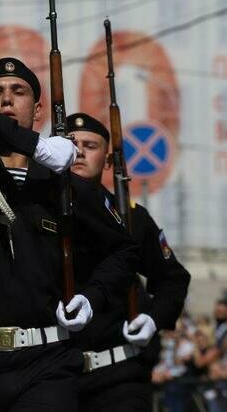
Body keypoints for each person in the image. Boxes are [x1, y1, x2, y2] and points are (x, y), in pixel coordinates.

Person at [0, 57, 139, 411]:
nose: (7, 100)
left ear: (38, 110)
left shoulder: (65, 186)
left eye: (18, 91)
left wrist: (92, 296)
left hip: (47, 364)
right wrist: (37, 146)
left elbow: (125, 250)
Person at [64, 112, 191, 411]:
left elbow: (173, 279)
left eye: (90, 145)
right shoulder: (38, 212)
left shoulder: (132, 218)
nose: (79, 151)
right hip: (56, 377)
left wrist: (153, 318)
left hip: (118, 375)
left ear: (108, 161)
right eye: (71, 143)